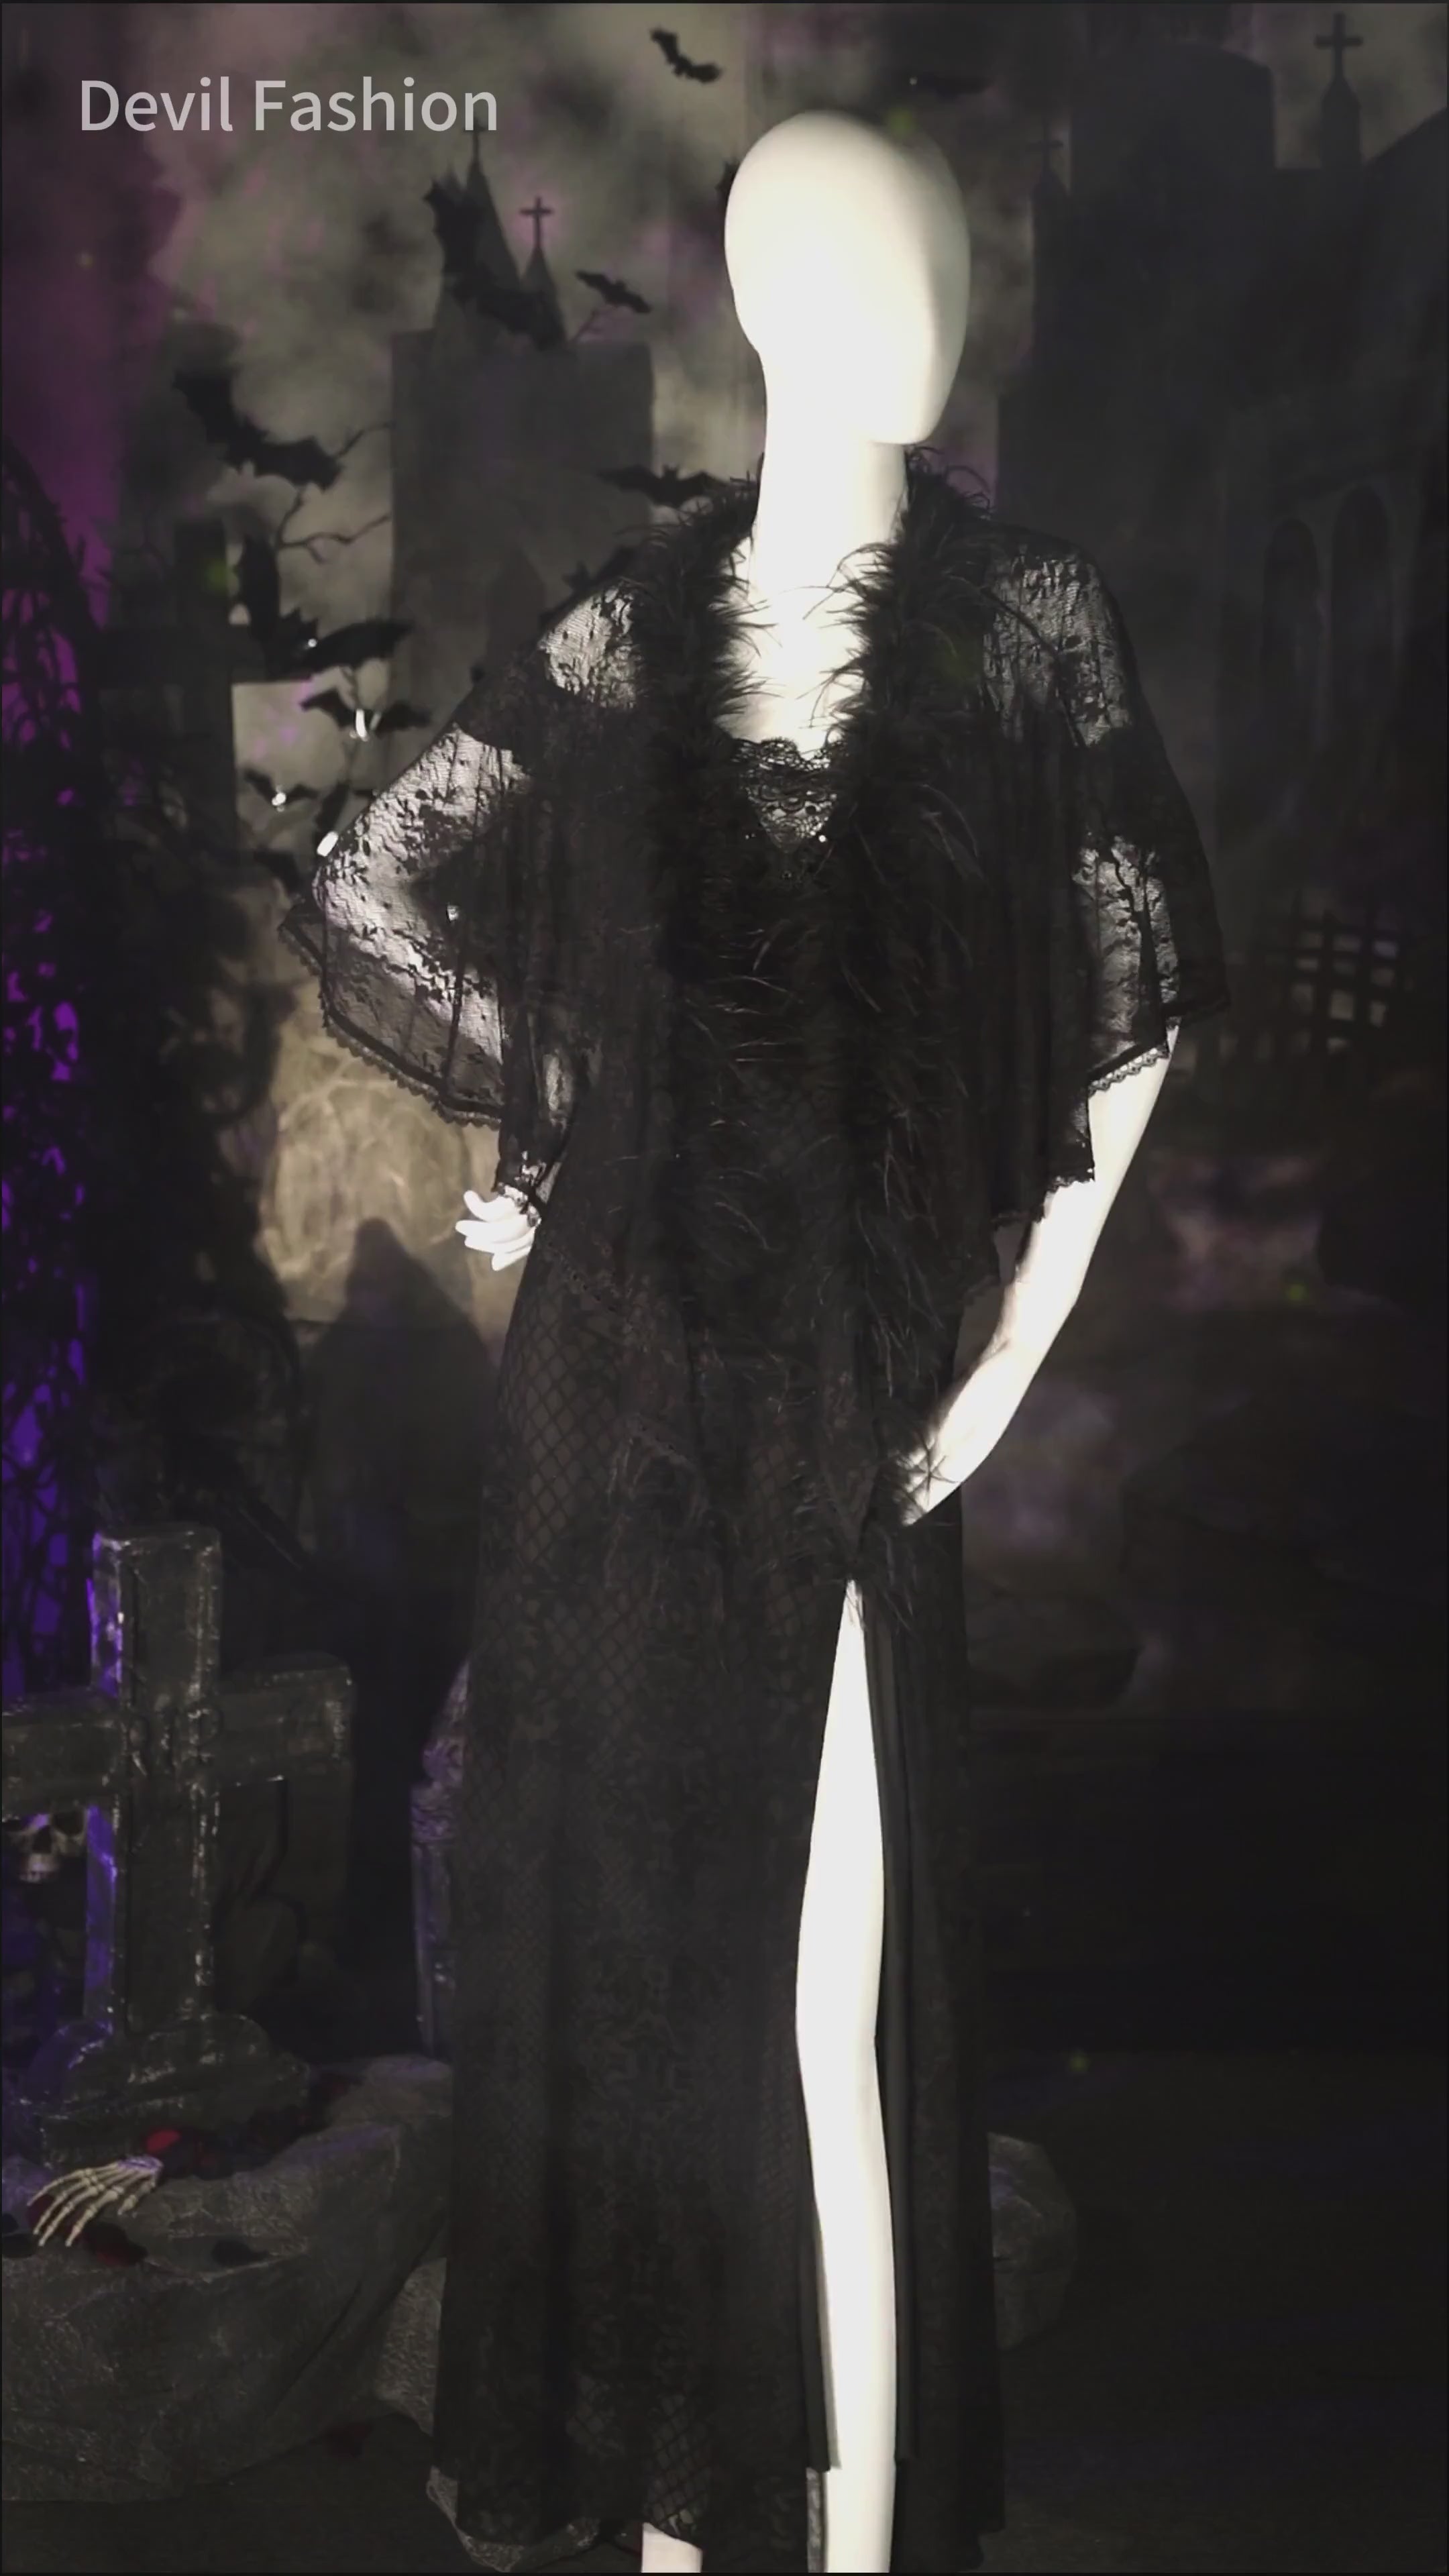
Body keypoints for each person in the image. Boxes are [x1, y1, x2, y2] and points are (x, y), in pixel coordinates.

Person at [282, 108, 1230, 2576]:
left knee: (823, 2008)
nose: (935, 304)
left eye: (942, 257)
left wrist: (1006, 1359)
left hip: (847, 1374)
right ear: (775, 297)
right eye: (873, 259)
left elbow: (1126, 1015)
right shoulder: (639, 626)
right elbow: (377, 882)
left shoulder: (1025, 622)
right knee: (643, 1973)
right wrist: (589, 1095)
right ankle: (689, 2525)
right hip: (620, 1373)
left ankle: (854, 2536)